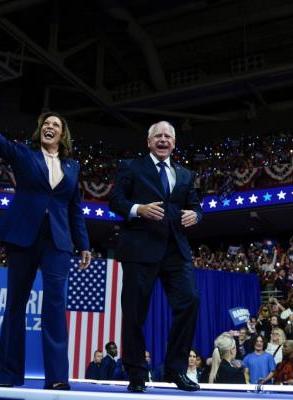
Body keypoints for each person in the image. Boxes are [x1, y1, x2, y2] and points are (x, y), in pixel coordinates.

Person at [0, 68, 91, 391]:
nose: (50, 127)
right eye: (46, 123)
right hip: (23, 238)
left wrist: (83, 244)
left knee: (55, 308)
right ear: (40, 130)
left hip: (58, 242)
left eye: (56, 125)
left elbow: (75, 208)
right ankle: (9, 377)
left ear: (63, 134)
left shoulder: (73, 167)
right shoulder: (23, 154)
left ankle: (57, 379)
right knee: (15, 306)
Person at [109, 121, 202, 393]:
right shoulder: (131, 167)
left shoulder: (185, 174)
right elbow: (115, 200)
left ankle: (176, 369)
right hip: (140, 248)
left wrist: (195, 215)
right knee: (135, 312)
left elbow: (196, 207)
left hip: (176, 250)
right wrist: (139, 209)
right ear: (149, 142)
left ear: (174, 143)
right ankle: (136, 372)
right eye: (158, 136)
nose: (163, 140)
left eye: (168, 136)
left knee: (190, 301)